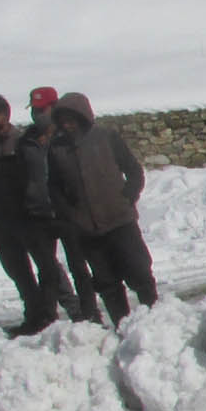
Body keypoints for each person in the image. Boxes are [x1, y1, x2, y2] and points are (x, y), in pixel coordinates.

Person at [45, 93, 157, 323]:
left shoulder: (106, 137)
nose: (68, 125)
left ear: (83, 116)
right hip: (87, 229)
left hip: (120, 220)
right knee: (106, 282)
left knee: (139, 272)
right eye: (63, 120)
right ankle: (121, 324)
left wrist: (129, 196)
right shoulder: (56, 149)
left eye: (72, 119)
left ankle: (156, 318)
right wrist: (70, 214)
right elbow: (54, 188)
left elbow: (133, 170)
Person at [0, 94, 60, 335]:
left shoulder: (21, 142)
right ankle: (33, 316)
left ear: (4, 114)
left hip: (24, 218)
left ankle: (50, 315)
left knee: (46, 268)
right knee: (19, 274)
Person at [21, 86, 93, 323]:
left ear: (54, 108)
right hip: (39, 212)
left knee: (78, 266)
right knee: (48, 270)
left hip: (66, 211)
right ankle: (52, 316)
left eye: (41, 110)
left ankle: (89, 313)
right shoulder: (26, 141)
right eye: (34, 110)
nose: (37, 115)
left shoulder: (67, 137)